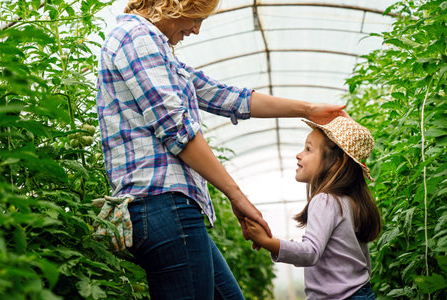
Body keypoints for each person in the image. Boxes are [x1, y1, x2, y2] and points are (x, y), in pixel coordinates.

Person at [96, 0, 348, 299]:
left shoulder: (157, 48)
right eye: (196, 17)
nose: (197, 30)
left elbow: (227, 96)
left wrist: (308, 109)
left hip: (170, 207)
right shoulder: (135, 37)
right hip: (162, 203)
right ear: (176, 5)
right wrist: (237, 196)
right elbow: (177, 128)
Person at [244, 116, 382, 300]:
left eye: (308, 149)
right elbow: (364, 262)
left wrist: (268, 242)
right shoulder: (352, 202)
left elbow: (311, 253)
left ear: (336, 162)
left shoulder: (325, 200)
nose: (299, 154)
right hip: (362, 293)